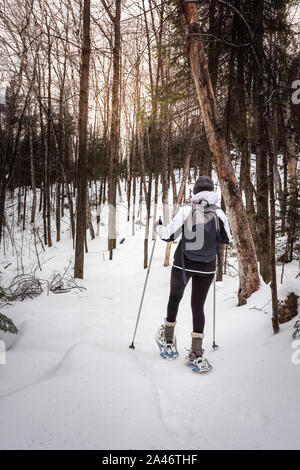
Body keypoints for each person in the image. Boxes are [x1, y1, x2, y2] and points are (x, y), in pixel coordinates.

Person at [154, 176, 232, 372]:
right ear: (212, 191)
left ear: (195, 192)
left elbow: (168, 236)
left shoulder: (187, 210)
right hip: (206, 267)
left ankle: (169, 340)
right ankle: (196, 353)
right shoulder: (219, 213)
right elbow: (226, 239)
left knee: (175, 297)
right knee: (198, 306)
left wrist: (157, 226)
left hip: (183, 263)